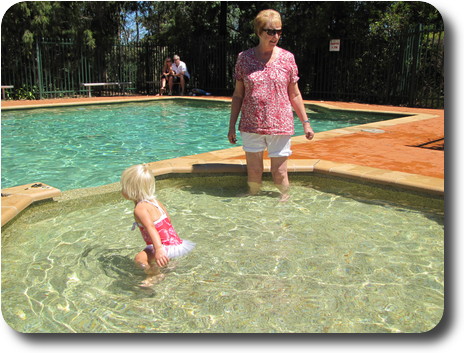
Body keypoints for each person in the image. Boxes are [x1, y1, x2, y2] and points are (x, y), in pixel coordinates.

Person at [228, 9, 315, 201]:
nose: (275, 36)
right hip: (251, 124)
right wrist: (232, 125)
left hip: (280, 124)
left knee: (280, 171)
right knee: (254, 170)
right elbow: (238, 95)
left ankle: (285, 202)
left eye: (279, 31)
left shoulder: (287, 58)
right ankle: (252, 200)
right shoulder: (244, 58)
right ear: (259, 32)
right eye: (270, 31)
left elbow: (295, 94)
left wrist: (305, 122)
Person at [121, 164, 195, 286]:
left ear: (131, 190)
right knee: (152, 255)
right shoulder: (155, 202)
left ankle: (155, 274)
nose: (122, 190)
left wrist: (159, 249)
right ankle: (167, 264)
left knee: (140, 259)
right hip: (174, 242)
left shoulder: (140, 209)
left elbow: (151, 228)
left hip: (162, 245)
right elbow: (168, 221)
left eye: (123, 187)